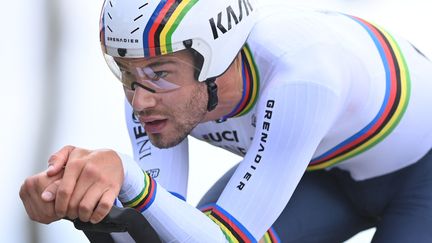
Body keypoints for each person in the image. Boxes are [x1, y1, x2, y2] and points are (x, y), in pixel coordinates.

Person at [20, 0, 432, 242]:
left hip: (421, 179)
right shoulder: (154, 91)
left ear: (214, 60)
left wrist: (128, 174)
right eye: (126, 73)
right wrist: (80, 202)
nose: (139, 100)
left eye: (160, 73)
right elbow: (154, 228)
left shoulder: (301, 73)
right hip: (317, 173)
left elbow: (223, 239)